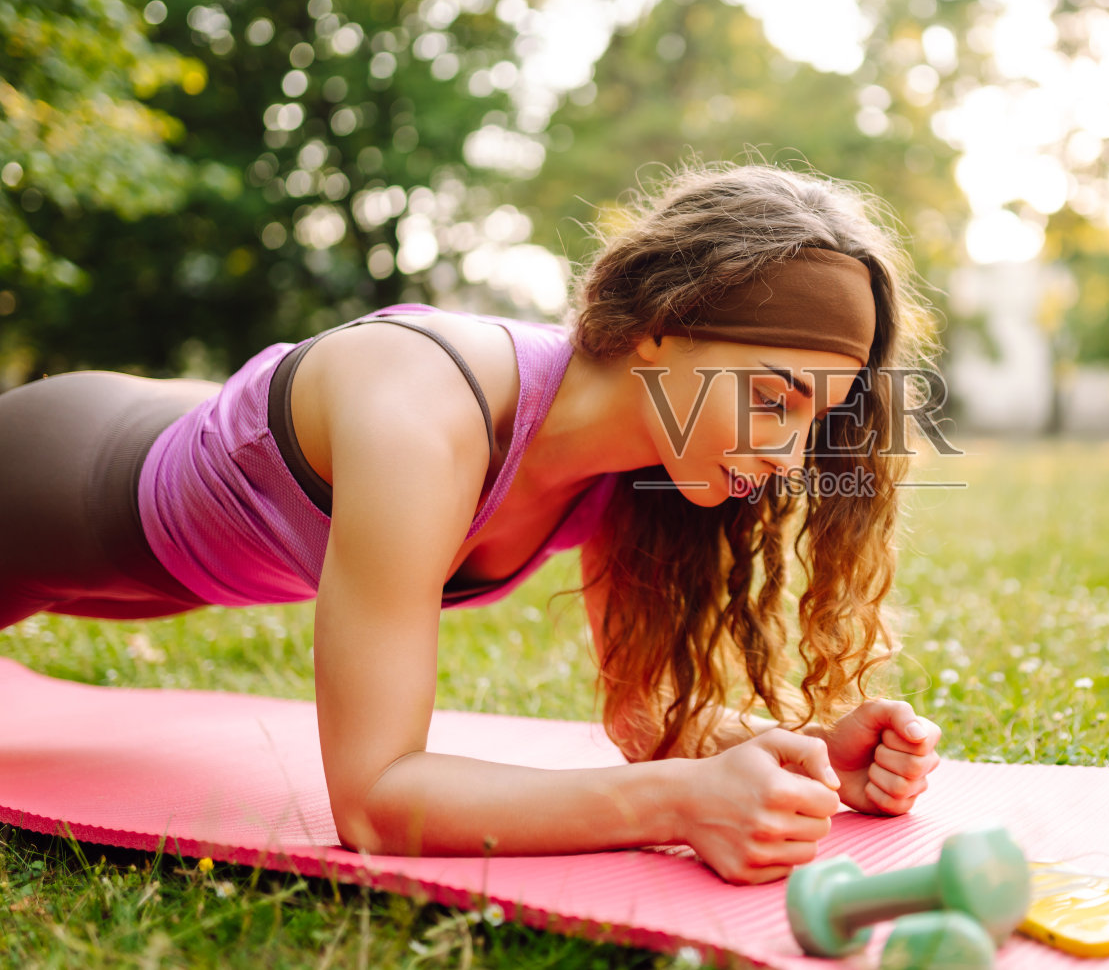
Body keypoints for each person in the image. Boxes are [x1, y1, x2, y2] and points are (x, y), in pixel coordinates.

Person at [0, 162, 946, 884]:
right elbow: (375, 802)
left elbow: (646, 713)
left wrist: (808, 750)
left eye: (814, 420)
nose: (787, 457)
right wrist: (678, 803)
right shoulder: (423, 407)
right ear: (662, 324)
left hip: (173, 576)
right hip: (46, 485)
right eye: (775, 398)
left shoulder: (641, 470)